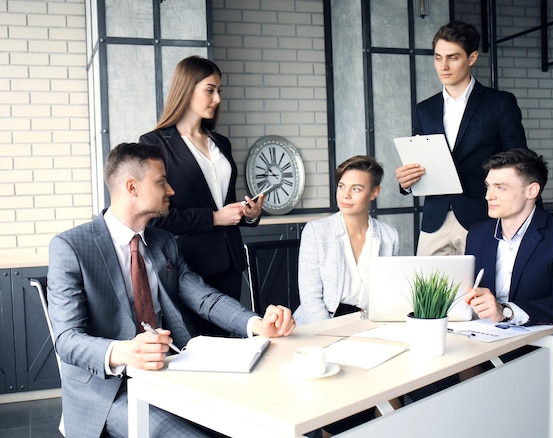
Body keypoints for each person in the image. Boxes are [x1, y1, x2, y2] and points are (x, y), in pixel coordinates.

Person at [46, 142, 295, 438]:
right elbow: (66, 339)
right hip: (109, 391)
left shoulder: (164, 241)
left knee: (256, 422)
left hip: (172, 373)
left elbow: (205, 298)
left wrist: (256, 324)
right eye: (161, 181)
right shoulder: (71, 247)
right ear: (132, 187)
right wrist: (123, 351)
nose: (171, 191)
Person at [139, 55, 262, 335]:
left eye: (219, 91)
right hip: (187, 265)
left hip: (230, 261)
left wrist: (249, 215)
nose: (217, 98)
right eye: (210, 90)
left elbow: (222, 203)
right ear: (186, 89)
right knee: (195, 348)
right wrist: (214, 218)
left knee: (228, 345)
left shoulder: (221, 142)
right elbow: (155, 217)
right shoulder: (154, 143)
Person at [464, 148, 553, 388]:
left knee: (459, 381)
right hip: (484, 345)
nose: (488, 196)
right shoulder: (478, 233)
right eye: (488, 186)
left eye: (500, 187)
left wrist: (505, 311)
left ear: (531, 190)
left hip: (544, 350)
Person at [395, 21, 527, 256]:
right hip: (435, 219)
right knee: (427, 290)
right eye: (438, 57)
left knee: (479, 289)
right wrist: (407, 181)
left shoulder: (500, 103)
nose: (443, 66)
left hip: (482, 215)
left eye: (453, 58)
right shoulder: (424, 109)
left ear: (472, 58)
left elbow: (519, 161)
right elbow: (421, 160)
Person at [294, 155, 399, 323]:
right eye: (341, 186)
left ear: (374, 192)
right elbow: (310, 298)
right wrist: (330, 333)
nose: (345, 195)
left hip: (368, 326)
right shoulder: (316, 231)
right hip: (321, 326)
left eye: (356, 189)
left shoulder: (389, 236)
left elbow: (388, 295)